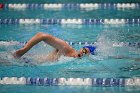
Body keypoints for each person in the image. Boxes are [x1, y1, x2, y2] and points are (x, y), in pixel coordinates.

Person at [14, 32, 96, 61]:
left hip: (28, 62)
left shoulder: (72, 61)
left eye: (85, 53)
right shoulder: (66, 49)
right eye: (84, 50)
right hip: (24, 59)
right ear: (81, 48)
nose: (82, 53)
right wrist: (24, 50)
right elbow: (42, 35)